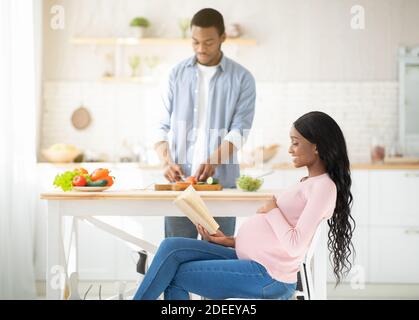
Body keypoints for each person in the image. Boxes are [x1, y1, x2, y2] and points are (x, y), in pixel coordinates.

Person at [134, 111, 356, 300]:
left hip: (268, 276)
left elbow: (295, 246)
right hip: (249, 259)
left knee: (173, 274)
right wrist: (230, 241)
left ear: (316, 147)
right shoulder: (309, 182)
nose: (290, 149)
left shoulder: (324, 187)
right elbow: (274, 240)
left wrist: (273, 211)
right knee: (170, 247)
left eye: (295, 143)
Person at [153, 8, 256, 239]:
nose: (201, 48)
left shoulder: (242, 79)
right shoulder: (175, 75)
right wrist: (166, 162)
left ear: (223, 38)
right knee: (177, 253)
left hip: (222, 186)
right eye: (195, 42)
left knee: (217, 256)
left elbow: (240, 131)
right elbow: (160, 126)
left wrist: (214, 160)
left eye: (208, 42)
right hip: (181, 186)